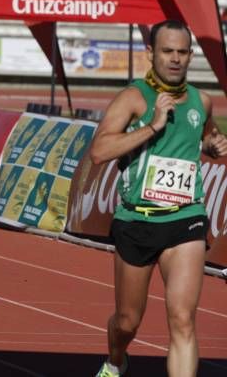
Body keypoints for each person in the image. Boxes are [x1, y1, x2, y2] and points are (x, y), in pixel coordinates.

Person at [89, 19, 227, 377]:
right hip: (137, 221)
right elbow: (99, 152)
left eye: (183, 52)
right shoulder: (134, 98)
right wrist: (153, 125)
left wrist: (212, 145)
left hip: (186, 217)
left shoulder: (202, 100)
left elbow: (206, 135)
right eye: (168, 51)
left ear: (190, 55)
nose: (176, 59)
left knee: (183, 319)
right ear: (151, 53)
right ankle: (117, 358)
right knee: (127, 321)